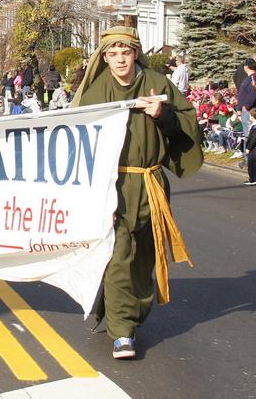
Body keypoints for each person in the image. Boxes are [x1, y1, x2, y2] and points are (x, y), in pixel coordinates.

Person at [71, 26, 202, 360]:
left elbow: (186, 127)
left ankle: (127, 312)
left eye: (125, 53)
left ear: (135, 54)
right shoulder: (97, 90)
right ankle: (122, 331)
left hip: (152, 182)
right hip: (113, 185)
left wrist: (163, 115)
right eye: (112, 55)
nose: (119, 61)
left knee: (144, 258)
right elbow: (79, 142)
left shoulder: (158, 83)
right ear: (104, 57)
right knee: (119, 256)